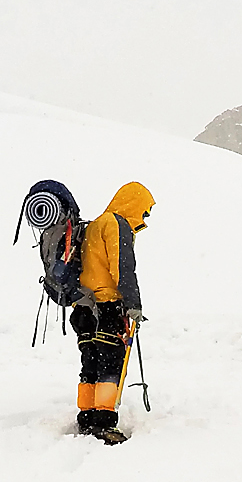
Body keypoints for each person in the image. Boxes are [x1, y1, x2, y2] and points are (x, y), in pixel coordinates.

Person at [72, 181, 154, 443]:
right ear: (133, 203)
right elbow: (123, 268)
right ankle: (105, 423)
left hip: (83, 308)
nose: (143, 218)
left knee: (91, 363)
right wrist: (133, 304)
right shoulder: (117, 224)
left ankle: (86, 416)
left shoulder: (94, 224)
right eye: (144, 211)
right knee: (110, 364)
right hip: (107, 306)